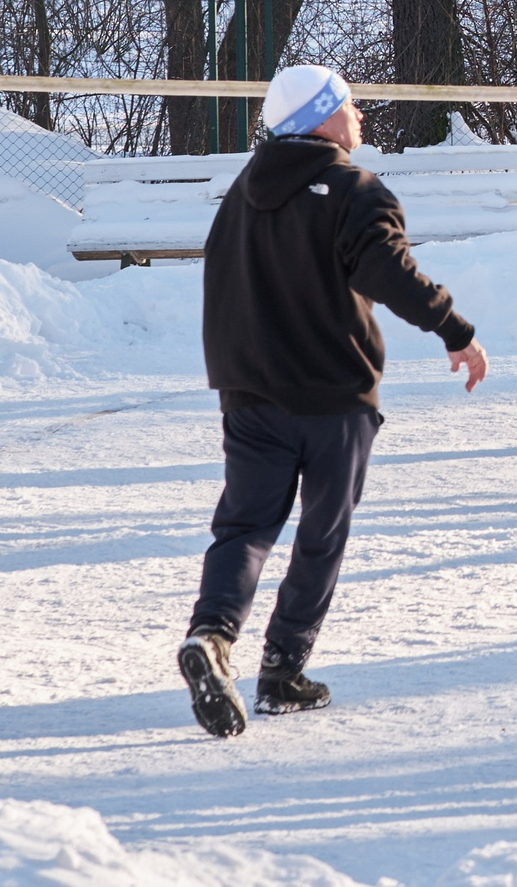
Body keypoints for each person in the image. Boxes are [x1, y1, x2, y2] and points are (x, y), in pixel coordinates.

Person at [178, 64, 488, 739]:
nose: (361, 117)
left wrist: (234, 372)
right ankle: (282, 670)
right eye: (349, 105)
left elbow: (221, 279)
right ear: (321, 116)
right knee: (322, 534)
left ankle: (212, 633)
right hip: (332, 395)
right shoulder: (352, 188)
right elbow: (389, 271)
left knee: (246, 526)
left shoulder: (242, 192)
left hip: (250, 393)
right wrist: (456, 332)